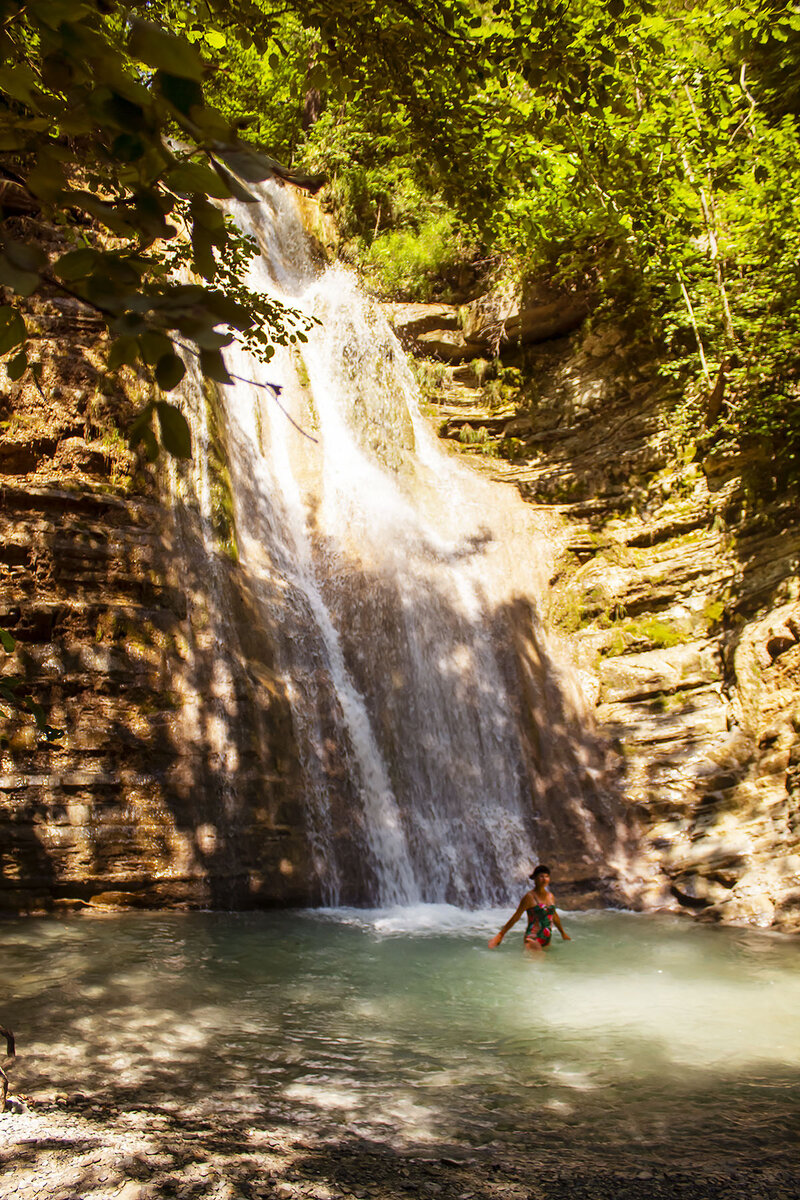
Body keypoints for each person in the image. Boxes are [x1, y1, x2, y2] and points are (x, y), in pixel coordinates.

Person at [488, 864, 571, 953]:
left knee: (547, 965)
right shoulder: (529, 897)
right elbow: (516, 916)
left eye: (547, 876)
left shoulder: (550, 896)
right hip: (532, 938)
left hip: (546, 939)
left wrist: (562, 933)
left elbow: (554, 916)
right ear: (535, 878)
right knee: (539, 963)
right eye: (541, 876)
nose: (544, 879)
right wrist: (501, 935)